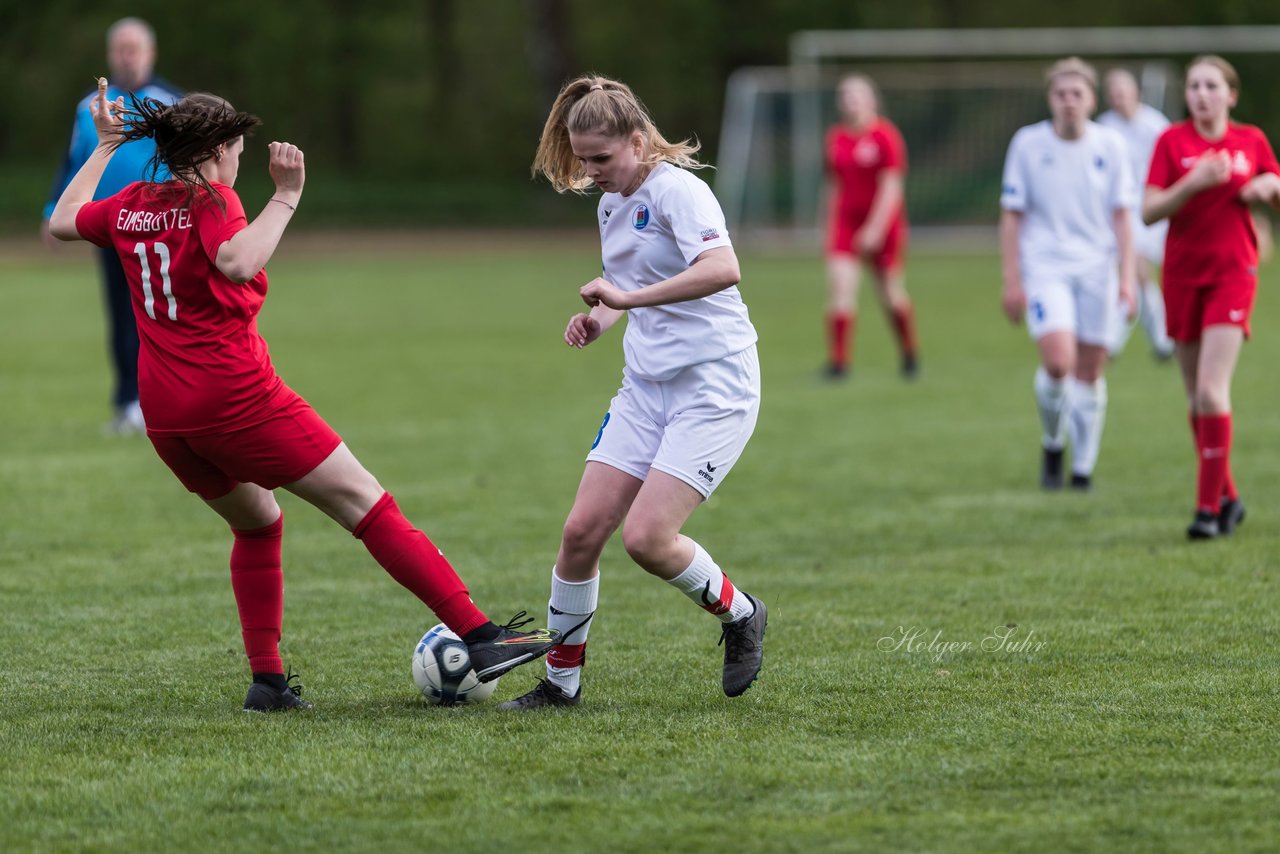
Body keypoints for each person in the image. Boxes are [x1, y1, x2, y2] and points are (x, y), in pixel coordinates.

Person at [47, 81, 559, 712]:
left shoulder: (132, 204)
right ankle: (479, 636)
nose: (238, 158)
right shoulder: (215, 199)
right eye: (236, 146)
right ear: (218, 150)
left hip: (167, 417)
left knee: (257, 523)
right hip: (236, 399)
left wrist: (100, 149)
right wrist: (286, 197)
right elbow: (236, 261)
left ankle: (267, 683)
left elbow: (63, 221)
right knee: (367, 504)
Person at [499, 75, 768, 710]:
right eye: (581, 158)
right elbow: (623, 284)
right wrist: (601, 318)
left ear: (639, 141)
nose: (590, 172)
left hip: (715, 386)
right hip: (646, 387)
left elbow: (723, 268)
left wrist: (628, 298)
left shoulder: (680, 191)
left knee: (647, 540)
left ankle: (741, 612)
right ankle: (561, 685)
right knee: (581, 532)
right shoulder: (612, 202)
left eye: (600, 158)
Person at [1142, 55, 1280, 539]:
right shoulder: (1171, 142)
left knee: (1209, 390)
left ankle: (1207, 511)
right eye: (1195, 86)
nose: (1201, 94)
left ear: (1231, 95)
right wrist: (1193, 182)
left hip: (1233, 273)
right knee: (1194, 397)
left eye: (1211, 86)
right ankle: (1231, 496)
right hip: (1182, 275)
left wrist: (1271, 186)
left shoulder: (1252, 141)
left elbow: (1277, 187)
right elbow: (1148, 211)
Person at [999, 58, 1137, 491]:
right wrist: (1011, 278)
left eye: (1077, 94)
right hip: (1046, 267)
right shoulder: (1027, 144)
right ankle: (1053, 441)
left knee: (1091, 373)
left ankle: (1083, 470)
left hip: (1098, 268)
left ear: (1091, 99)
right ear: (1050, 100)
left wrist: (1128, 277)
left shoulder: (1110, 146)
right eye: (1061, 94)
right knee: (1059, 363)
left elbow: (1123, 216)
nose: (1069, 102)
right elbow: (1011, 215)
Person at [43, 18, 183, 435]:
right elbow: (72, 161)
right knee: (121, 315)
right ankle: (128, 404)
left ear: (150, 53)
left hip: (160, 227)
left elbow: (192, 163)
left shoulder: (172, 102)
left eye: (134, 48)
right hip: (107, 225)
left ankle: (172, 400)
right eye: (120, 48)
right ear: (110, 55)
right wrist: (53, 207)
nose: (127, 56)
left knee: (164, 315)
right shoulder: (89, 107)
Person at [821, 74, 918, 379]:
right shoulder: (835, 138)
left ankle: (909, 354)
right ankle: (838, 364)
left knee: (890, 293)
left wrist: (875, 229)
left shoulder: (886, 136)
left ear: (871, 100)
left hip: (884, 227)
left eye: (857, 95)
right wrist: (828, 223)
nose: (850, 100)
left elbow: (892, 187)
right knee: (840, 290)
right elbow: (833, 185)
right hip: (847, 224)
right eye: (845, 95)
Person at [1097, 68, 1176, 362]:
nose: (1119, 98)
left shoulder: (1155, 124)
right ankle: (1159, 340)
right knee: (1132, 273)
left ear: (1136, 94)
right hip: (1120, 211)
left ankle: (1118, 340)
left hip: (1150, 209)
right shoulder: (1104, 128)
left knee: (1138, 270)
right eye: (1113, 93)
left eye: (1123, 91)